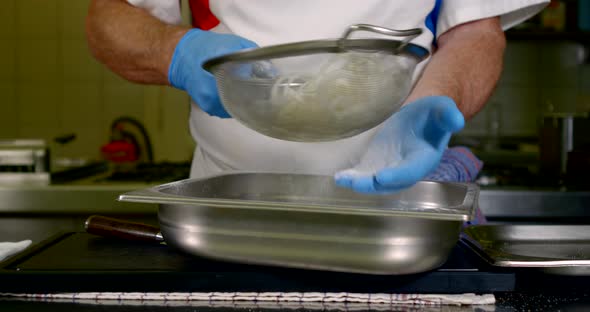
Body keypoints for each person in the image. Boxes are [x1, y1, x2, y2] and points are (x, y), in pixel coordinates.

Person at [86, 0, 548, 195]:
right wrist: (177, 52)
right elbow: (109, 18)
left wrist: (428, 109)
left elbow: (476, 33)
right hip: (230, 206)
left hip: (398, 206)